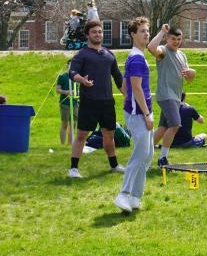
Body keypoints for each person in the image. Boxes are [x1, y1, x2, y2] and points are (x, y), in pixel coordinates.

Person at [68, 20, 125, 178]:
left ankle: (114, 165)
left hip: (107, 102)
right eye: (94, 32)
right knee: (81, 135)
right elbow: (72, 73)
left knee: (109, 135)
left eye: (100, 31)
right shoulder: (82, 54)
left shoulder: (109, 54)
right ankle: (73, 169)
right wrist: (82, 80)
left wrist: (128, 95)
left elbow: (118, 78)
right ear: (87, 35)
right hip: (89, 101)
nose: (98, 34)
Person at [114, 17, 154, 213]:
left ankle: (135, 197)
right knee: (140, 155)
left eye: (147, 31)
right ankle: (124, 193)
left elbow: (125, 84)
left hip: (140, 112)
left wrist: (127, 99)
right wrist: (146, 114)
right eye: (142, 31)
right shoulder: (137, 57)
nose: (146, 34)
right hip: (139, 113)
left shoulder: (138, 55)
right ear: (132, 34)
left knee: (147, 155)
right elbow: (136, 88)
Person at [148, 24, 196, 167]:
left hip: (175, 96)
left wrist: (192, 73)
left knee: (163, 128)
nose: (176, 41)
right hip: (166, 95)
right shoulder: (163, 51)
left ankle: (143, 154)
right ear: (167, 39)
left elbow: (189, 79)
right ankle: (162, 159)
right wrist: (162, 31)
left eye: (179, 39)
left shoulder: (182, 55)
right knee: (175, 125)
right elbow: (150, 48)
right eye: (173, 38)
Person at [56, 59, 79, 145]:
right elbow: (58, 90)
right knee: (65, 124)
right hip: (65, 104)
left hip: (75, 103)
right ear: (67, 66)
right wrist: (66, 92)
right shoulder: (63, 76)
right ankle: (62, 144)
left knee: (73, 124)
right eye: (70, 65)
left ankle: (70, 144)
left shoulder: (77, 77)